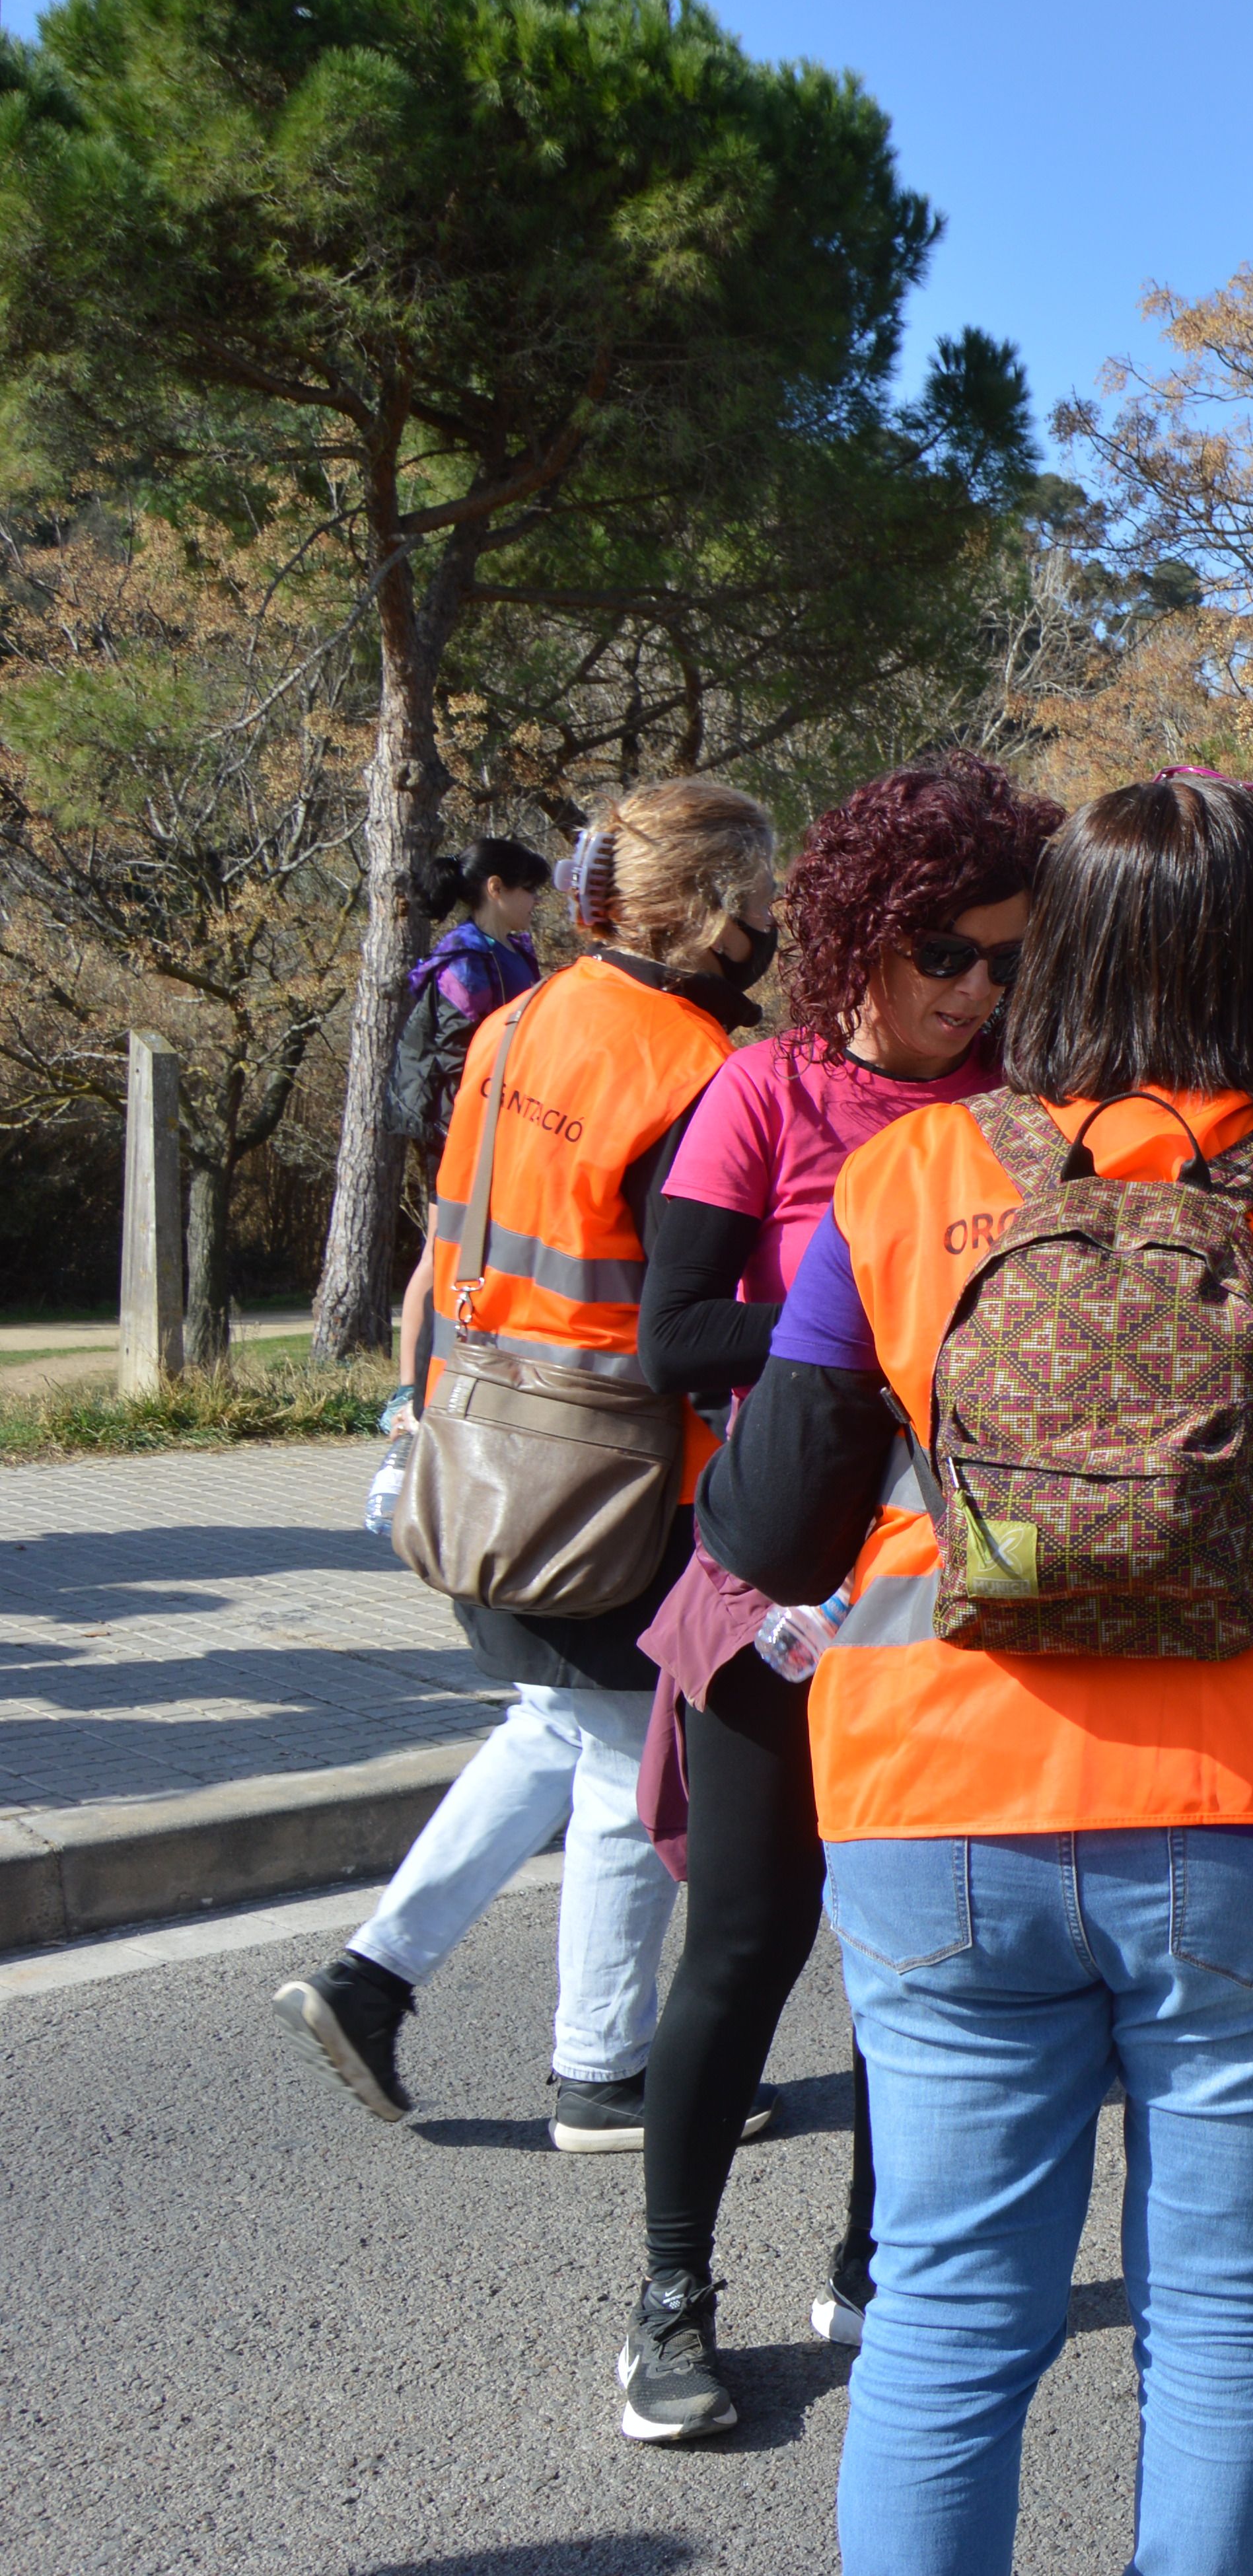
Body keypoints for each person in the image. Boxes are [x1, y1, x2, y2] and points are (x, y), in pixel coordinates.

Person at [698, 773, 1253, 2566]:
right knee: (1228, 2321)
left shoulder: (904, 1172)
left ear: (1053, 949)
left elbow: (769, 1532)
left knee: (945, 2317)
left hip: (938, 1805)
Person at [618, 749, 1067, 2441]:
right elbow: (674, 1335)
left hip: (954, 1590)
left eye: (1010, 962)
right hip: (776, 1574)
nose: (977, 992)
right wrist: (867, 1343)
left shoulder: (1024, 1109)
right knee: (741, 1945)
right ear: (861, 933)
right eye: (945, 952)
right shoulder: (765, 1091)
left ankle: (885, 2265)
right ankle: (670, 2296)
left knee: (918, 1956)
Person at [275, 782, 782, 2154]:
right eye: (766, 897)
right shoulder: (689, 1063)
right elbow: (693, 1300)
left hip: (478, 1431)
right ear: (708, 911)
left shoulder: (517, 1017)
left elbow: (453, 1231)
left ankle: (369, 1978)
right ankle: (603, 2070)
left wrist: (408, 1400)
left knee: (550, 1724)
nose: (777, 923)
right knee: (627, 1753)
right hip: (620, 1464)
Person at [387, 834, 552, 1156]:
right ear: (496, 888)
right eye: (529, 889)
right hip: (458, 1129)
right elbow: (458, 1053)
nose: (536, 900)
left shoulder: (512, 950)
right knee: (452, 1209)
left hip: (501, 1116)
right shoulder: (465, 958)